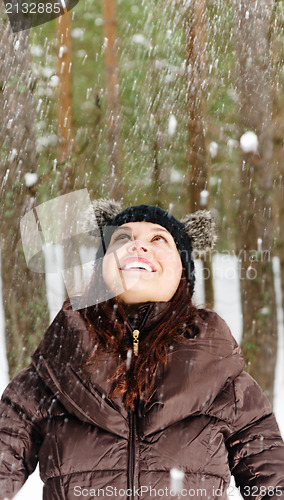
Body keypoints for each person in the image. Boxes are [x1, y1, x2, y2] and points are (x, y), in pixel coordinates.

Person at [0, 201, 283, 500]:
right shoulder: (50, 376)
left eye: (158, 239)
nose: (137, 246)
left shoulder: (228, 383)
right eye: (122, 238)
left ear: (183, 273)